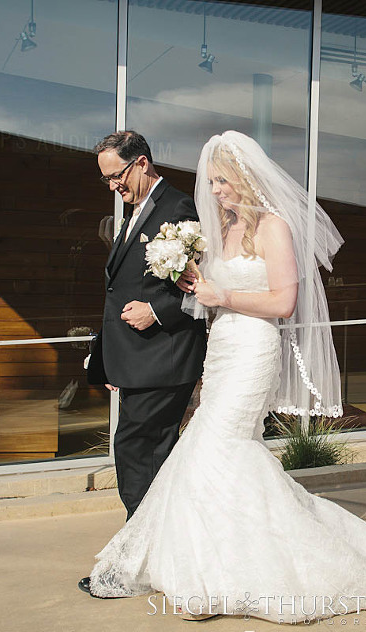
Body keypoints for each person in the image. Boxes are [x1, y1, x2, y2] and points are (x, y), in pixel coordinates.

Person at [82, 131, 366, 623]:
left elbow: (283, 304)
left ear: (246, 179)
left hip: (253, 351)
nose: (216, 191)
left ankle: (214, 576)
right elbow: (206, 295)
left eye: (222, 181)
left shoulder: (274, 227)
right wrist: (195, 288)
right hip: (222, 351)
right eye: (212, 182)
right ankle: (208, 568)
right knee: (214, 458)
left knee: (213, 449)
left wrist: (220, 297)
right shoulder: (221, 231)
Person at [85, 131, 207, 522]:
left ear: (141, 162)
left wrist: (156, 311)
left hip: (163, 357)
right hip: (136, 359)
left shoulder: (178, 208)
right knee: (140, 452)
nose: (113, 184)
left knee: (139, 451)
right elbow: (120, 289)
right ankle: (152, 544)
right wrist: (106, 355)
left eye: (117, 175)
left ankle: (141, 548)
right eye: (105, 179)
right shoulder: (132, 211)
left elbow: (201, 285)